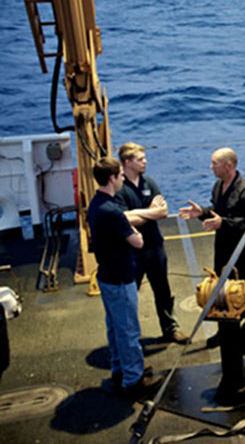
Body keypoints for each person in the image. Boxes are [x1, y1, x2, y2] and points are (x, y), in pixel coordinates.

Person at [88, 157, 164, 396]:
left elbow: (127, 225)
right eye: (120, 175)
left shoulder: (96, 203)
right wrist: (138, 222)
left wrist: (130, 221)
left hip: (107, 275)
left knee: (115, 327)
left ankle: (120, 369)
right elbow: (138, 241)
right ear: (112, 178)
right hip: (120, 278)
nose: (122, 178)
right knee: (129, 329)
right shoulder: (112, 211)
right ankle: (133, 379)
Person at [179, 148, 245, 347]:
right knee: (222, 288)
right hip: (223, 247)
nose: (211, 167)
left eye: (214, 163)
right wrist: (202, 213)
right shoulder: (218, 186)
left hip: (243, 250)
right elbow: (218, 212)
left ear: (228, 165)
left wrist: (223, 223)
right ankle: (225, 331)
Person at [116, 143, 189, 344]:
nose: (145, 162)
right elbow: (123, 219)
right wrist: (151, 212)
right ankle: (130, 336)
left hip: (154, 246)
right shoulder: (119, 188)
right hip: (132, 250)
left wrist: (139, 214)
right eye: (140, 159)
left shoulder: (149, 183)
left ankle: (170, 328)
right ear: (128, 163)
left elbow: (163, 212)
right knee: (130, 294)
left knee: (162, 289)